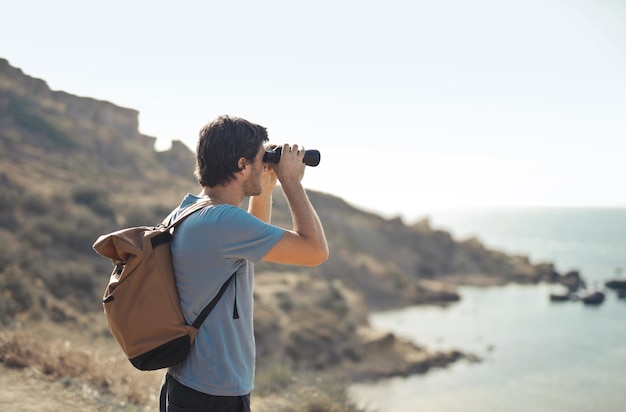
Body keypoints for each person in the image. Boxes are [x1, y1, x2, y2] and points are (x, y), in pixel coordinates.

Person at [159, 115, 328, 412]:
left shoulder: (191, 211)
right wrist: (291, 181)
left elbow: (248, 244)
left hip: (190, 382)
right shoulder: (222, 221)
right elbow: (315, 251)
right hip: (212, 391)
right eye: (260, 158)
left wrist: (266, 185)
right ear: (241, 164)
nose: (265, 164)